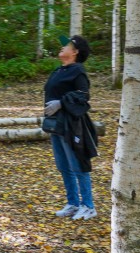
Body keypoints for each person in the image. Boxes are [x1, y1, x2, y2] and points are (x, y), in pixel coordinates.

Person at [42, 34, 98, 221]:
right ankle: (73, 203)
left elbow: (83, 96)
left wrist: (61, 103)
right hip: (55, 124)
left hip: (72, 125)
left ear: (75, 52)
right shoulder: (59, 71)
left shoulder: (78, 71)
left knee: (77, 164)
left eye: (66, 45)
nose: (62, 47)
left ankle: (88, 206)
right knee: (63, 165)